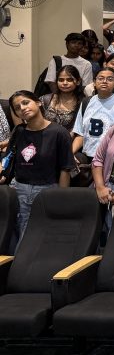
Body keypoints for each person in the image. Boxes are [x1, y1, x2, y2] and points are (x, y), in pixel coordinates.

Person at [2, 91, 74, 244]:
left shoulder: (59, 133)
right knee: (20, 231)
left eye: (26, 102)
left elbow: (65, 168)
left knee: (41, 234)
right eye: (17, 107)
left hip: (46, 189)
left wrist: (61, 197)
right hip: (19, 188)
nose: (22, 108)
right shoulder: (19, 131)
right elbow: (8, 159)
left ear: (38, 102)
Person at [71, 68, 114, 170]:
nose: (105, 81)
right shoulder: (86, 102)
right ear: (94, 82)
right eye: (101, 78)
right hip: (88, 156)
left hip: (111, 158)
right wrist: (70, 154)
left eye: (110, 79)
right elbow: (80, 134)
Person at [40, 65, 85, 133]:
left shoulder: (83, 103)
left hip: (71, 139)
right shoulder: (45, 100)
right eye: (61, 80)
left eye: (69, 80)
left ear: (78, 81)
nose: (65, 83)